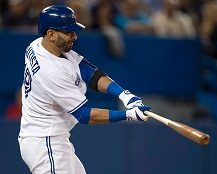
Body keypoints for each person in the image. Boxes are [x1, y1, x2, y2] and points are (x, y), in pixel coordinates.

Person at [18, 5, 151, 174]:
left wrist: (124, 94)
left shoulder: (39, 45)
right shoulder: (50, 72)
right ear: (51, 34)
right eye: (68, 32)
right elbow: (84, 115)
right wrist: (128, 115)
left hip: (52, 139)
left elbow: (87, 71)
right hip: (45, 143)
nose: (74, 36)